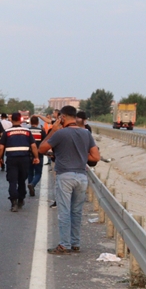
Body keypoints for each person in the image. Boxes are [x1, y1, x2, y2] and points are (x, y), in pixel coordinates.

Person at [38, 105, 100, 253]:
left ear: (63, 117)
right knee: (77, 211)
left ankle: (64, 244)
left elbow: (42, 149)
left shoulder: (60, 134)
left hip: (65, 176)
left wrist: (53, 130)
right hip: (81, 176)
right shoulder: (86, 133)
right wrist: (79, 156)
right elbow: (95, 157)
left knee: (64, 211)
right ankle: (75, 243)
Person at [0, 112, 39, 212]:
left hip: (11, 159)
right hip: (24, 159)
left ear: (11, 120)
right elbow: (33, 146)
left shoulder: (7, 132)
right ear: (20, 120)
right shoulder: (27, 131)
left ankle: (13, 202)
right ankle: (21, 199)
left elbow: (1, 147)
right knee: (21, 180)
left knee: (12, 181)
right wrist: (36, 157)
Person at [27, 115, 46, 197]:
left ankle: (31, 187)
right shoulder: (41, 131)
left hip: (28, 155)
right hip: (38, 154)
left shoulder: (26, 131)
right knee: (38, 173)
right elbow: (45, 141)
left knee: (30, 173)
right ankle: (33, 184)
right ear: (38, 123)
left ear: (30, 122)